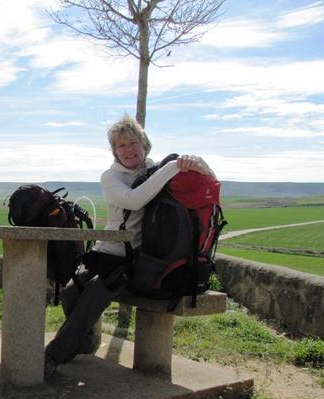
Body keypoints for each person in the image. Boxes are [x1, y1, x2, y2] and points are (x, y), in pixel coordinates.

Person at [44, 114, 215, 378]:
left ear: (145, 145)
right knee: (70, 292)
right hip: (108, 252)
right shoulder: (111, 177)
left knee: (97, 289)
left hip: (138, 260)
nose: (128, 150)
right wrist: (173, 168)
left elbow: (210, 179)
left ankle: (53, 355)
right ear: (114, 152)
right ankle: (85, 340)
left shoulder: (155, 170)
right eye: (121, 146)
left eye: (133, 142)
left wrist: (194, 161)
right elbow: (134, 200)